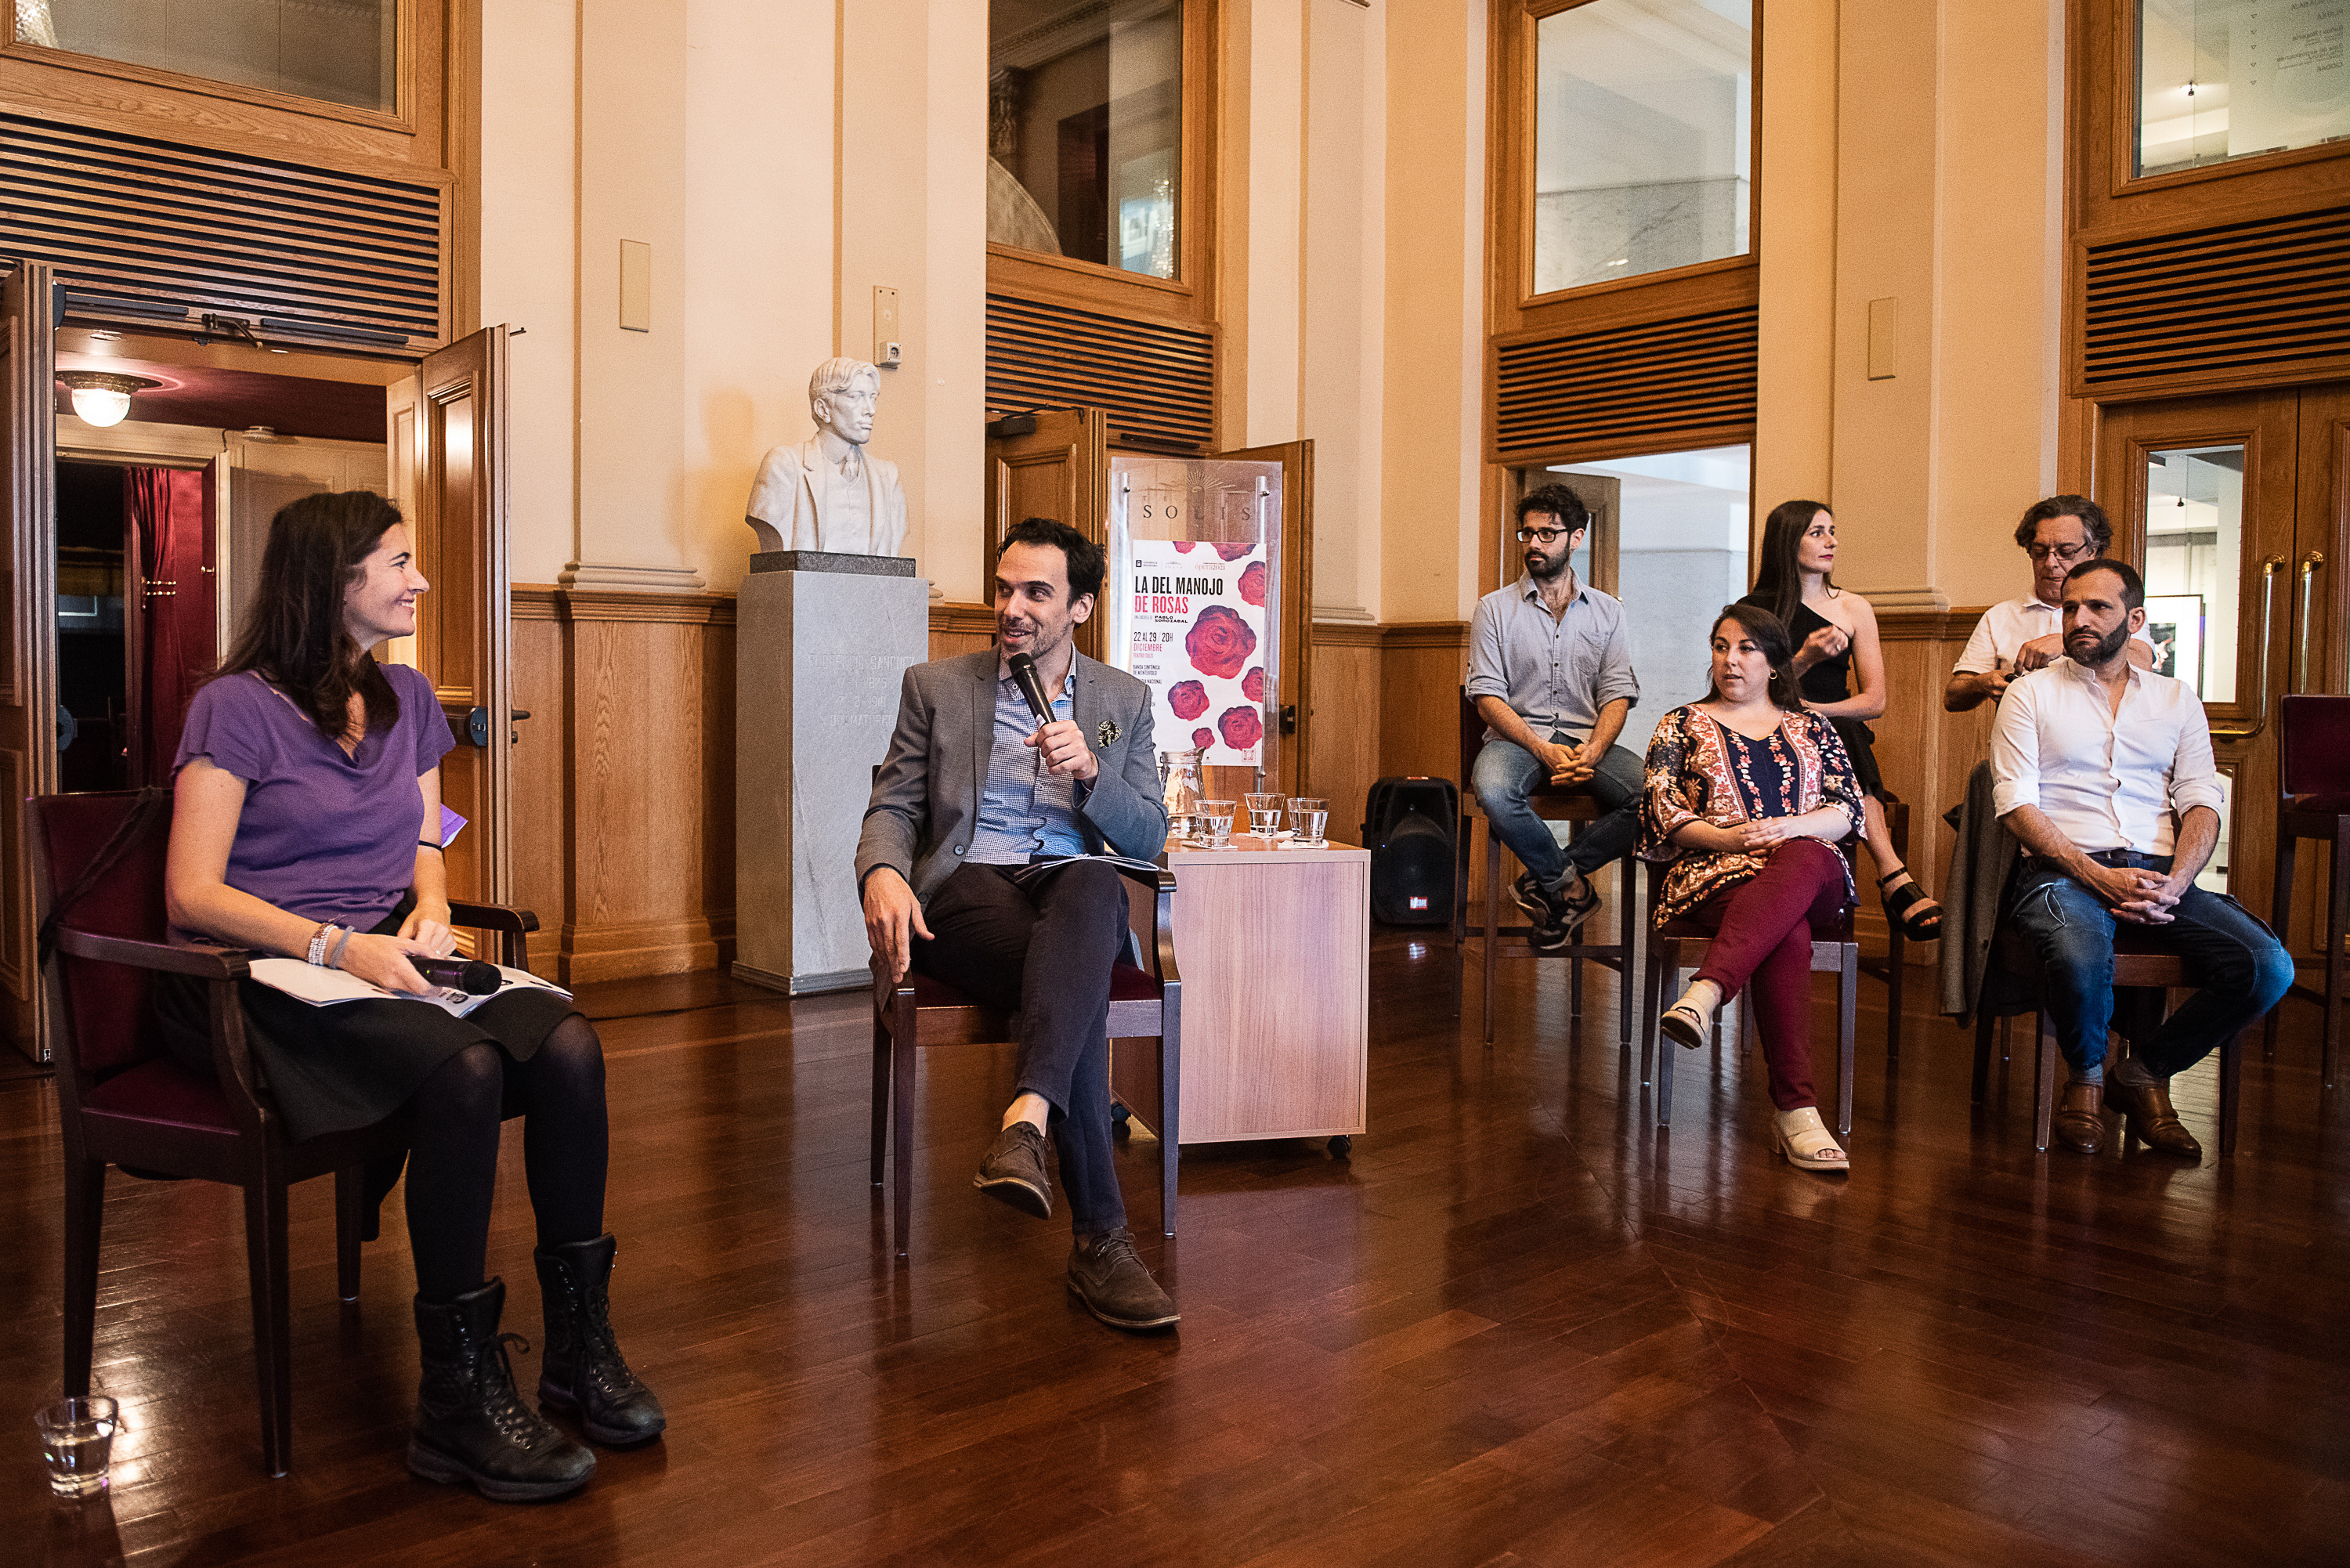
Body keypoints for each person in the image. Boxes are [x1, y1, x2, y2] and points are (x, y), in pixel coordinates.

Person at [159, 492, 662, 1502]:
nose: (420, 580)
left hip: (382, 959)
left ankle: (578, 1344)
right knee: (465, 1069)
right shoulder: (235, 706)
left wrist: (428, 913)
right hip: (257, 978)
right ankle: (456, 1397)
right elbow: (191, 891)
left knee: (569, 1044)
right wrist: (342, 946)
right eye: (398, 561)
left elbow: (429, 840)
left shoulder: (407, 697)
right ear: (332, 581)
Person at [857, 516, 1177, 1331]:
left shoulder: (1123, 701)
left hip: (1072, 889)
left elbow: (1147, 836)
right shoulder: (937, 687)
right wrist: (884, 870)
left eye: (1037, 592)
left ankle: (1025, 1126)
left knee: (1095, 886)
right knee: (1075, 978)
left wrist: (1094, 772)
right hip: (970, 889)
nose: (1013, 608)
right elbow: (893, 804)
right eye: (1005, 588)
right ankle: (1102, 1239)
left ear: (1081, 607)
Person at [1990, 558, 2292, 1158]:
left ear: (2135, 619)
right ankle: (2088, 1079)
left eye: (2097, 608)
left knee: (2266, 964)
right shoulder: (2029, 694)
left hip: (2159, 872)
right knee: (2079, 945)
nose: (2079, 619)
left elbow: (2202, 799)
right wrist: (2097, 875)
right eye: (2071, 607)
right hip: (2063, 868)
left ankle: (2145, 1073)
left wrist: (2178, 881)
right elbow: (2016, 806)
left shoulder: (2176, 699)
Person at [1642, 604, 1864, 1173]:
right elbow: (1663, 812)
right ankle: (1797, 1114)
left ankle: (1708, 990)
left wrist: (1789, 829)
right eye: (1720, 646)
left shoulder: (1812, 726)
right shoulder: (1680, 724)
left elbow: (1846, 810)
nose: (1730, 659)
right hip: (1715, 876)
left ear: (1774, 662)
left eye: (1745, 648)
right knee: (1783, 932)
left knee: (1808, 853)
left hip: (1815, 874)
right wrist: (1730, 839)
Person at [1742, 500, 1941, 941]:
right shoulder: (1752, 611)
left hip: (1833, 729)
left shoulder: (1853, 608)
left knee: (1839, 729)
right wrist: (1806, 658)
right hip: (1768, 732)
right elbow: (1751, 691)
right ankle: (1895, 880)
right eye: (1816, 533)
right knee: (1832, 731)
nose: (1831, 541)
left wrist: (1819, 712)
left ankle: (1889, 873)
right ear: (1787, 540)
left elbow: (1875, 701)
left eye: (1832, 531)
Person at [1465, 482, 1643, 948]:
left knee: (1656, 797)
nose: (1533, 545)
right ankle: (1571, 889)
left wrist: (1595, 750)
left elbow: (1618, 693)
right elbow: (1486, 696)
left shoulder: (1608, 612)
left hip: (1588, 740)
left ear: (1576, 538)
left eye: (1547, 534)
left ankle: (1552, 877)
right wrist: (1540, 747)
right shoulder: (1493, 609)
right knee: (1493, 790)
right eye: (1527, 535)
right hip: (1517, 741)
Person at [1945, 495, 2153, 712]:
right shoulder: (2000, 616)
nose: (2050, 563)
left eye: (2066, 552)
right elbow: (1953, 698)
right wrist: (1982, 683)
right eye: (2040, 551)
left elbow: (2141, 662)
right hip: (2021, 740)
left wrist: (2066, 644)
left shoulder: (2114, 608)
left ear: (2092, 551)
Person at [743, 356, 909, 556]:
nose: (870, 410)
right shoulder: (784, 465)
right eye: (856, 397)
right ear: (823, 409)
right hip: (803, 587)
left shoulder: (888, 478)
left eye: (873, 398)